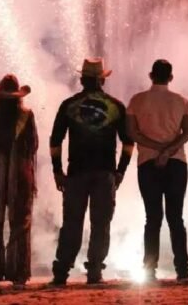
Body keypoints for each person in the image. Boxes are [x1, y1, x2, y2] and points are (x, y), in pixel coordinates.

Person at [50, 58, 134, 285]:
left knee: (72, 222)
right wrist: (120, 171)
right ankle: (95, 271)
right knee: (101, 223)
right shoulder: (115, 106)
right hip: (105, 173)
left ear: (82, 79)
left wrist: (57, 170)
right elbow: (128, 143)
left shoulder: (69, 105)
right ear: (102, 80)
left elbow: (55, 141)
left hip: (76, 172)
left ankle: (61, 272)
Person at [126, 60, 188, 282]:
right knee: (176, 217)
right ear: (171, 77)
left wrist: (156, 149)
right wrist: (168, 150)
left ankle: (149, 269)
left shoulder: (136, 100)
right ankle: (182, 270)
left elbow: (132, 133)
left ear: (150, 75)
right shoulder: (181, 101)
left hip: (147, 163)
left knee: (152, 217)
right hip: (176, 163)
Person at [0, 74, 38, 286]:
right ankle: (18, 271)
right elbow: (34, 145)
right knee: (20, 220)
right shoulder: (27, 115)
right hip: (20, 174)